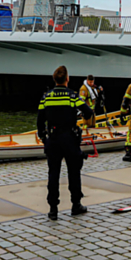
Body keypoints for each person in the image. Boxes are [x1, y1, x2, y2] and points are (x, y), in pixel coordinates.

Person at [38, 66, 94, 220]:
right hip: (70, 138)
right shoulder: (72, 96)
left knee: (53, 173)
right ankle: (76, 205)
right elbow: (89, 111)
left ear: (54, 79)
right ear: (67, 79)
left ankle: (53, 209)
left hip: (53, 138)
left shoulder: (46, 97)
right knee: (74, 172)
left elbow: (40, 120)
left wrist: (44, 138)